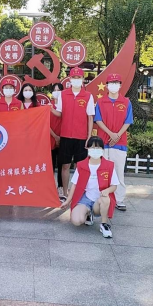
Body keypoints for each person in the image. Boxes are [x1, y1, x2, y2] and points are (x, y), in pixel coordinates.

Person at [60, 136, 119, 238]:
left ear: (102, 149)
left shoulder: (109, 166)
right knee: (77, 221)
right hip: (86, 199)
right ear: (87, 148)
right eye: (92, 147)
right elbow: (74, 184)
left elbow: (114, 185)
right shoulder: (82, 165)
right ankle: (88, 214)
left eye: (98, 147)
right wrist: (67, 201)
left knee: (105, 198)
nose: (95, 150)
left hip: (100, 200)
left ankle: (104, 224)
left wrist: (107, 190)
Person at [51, 67, 95, 200]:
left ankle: (77, 193)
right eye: (74, 78)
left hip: (81, 137)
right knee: (65, 165)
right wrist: (49, 109)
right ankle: (65, 193)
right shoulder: (63, 94)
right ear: (69, 79)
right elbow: (59, 113)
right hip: (65, 136)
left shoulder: (88, 96)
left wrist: (89, 137)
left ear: (82, 79)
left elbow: (90, 117)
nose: (76, 80)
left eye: (78, 78)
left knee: (79, 167)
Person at [94, 73, 133, 211]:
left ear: (120, 85)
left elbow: (128, 121)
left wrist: (117, 135)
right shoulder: (100, 102)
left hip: (120, 143)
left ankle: (119, 200)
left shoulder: (126, 102)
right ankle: (100, 197)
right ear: (106, 85)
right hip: (103, 142)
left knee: (118, 172)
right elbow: (98, 120)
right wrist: (111, 134)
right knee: (102, 172)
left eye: (116, 82)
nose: (114, 85)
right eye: (111, 83)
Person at [50, 83, 64, 201]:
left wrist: (60, 137)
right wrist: (55, 136)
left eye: (59, 90)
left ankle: (60, 187)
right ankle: (50, 188)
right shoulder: (48, 106)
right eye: (54, 90)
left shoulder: (65, 105)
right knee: (51, 165)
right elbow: (45, 123)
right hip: (50, 138)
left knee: (61, 165)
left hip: (63, 138)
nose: (56, 92)